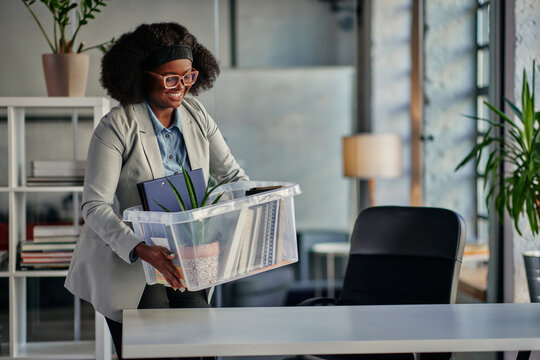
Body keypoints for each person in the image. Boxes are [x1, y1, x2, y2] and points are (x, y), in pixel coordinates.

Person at [64, 22, 248, 360]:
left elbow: (231, 175)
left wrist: (257, 197)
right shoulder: (117, 126)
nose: (181, 87)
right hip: (133, 260)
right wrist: (140, 248)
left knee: (203, 351)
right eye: (170, 78)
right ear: (142, 75)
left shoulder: (197, 114)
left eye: (188, 76)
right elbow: (94, 207)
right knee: (154, 350)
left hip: (187, 257)